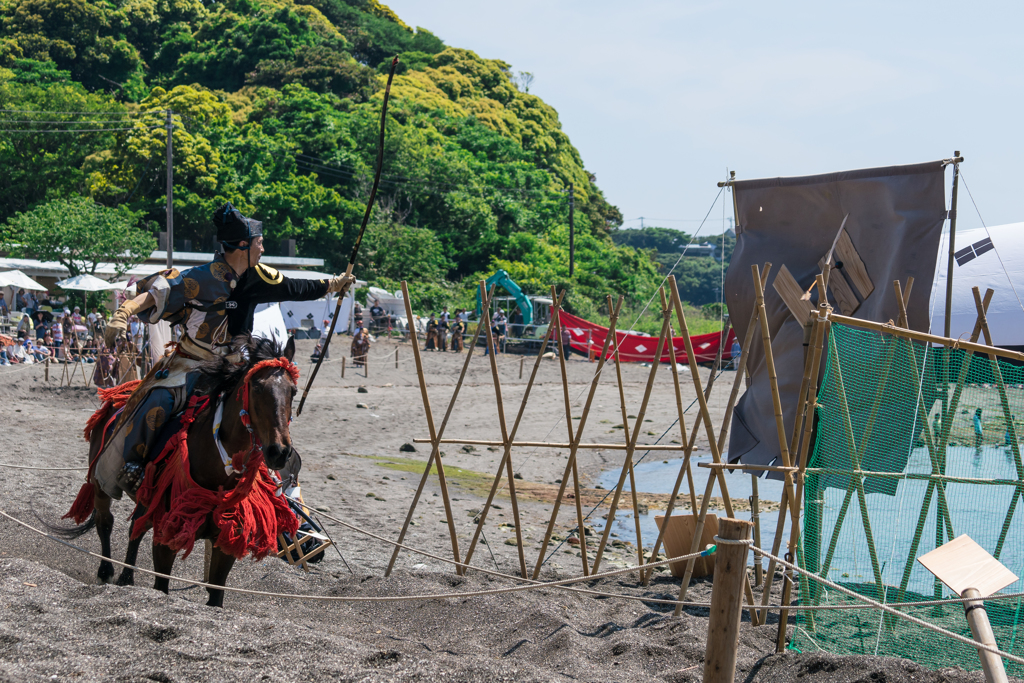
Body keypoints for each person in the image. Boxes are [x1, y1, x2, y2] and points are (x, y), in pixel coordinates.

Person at [94, 201, 354, 499]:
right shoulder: (198, 278)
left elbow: (296, 287)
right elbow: (156, 294)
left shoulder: (259, 277)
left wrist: (335, 284)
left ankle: (283, 487)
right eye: (260, 243)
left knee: (269, 406)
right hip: (191, 363)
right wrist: (123, 313)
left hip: (235, 366)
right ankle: (134, 466)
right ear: (242, 246)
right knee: (157, 401)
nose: (263, 248)